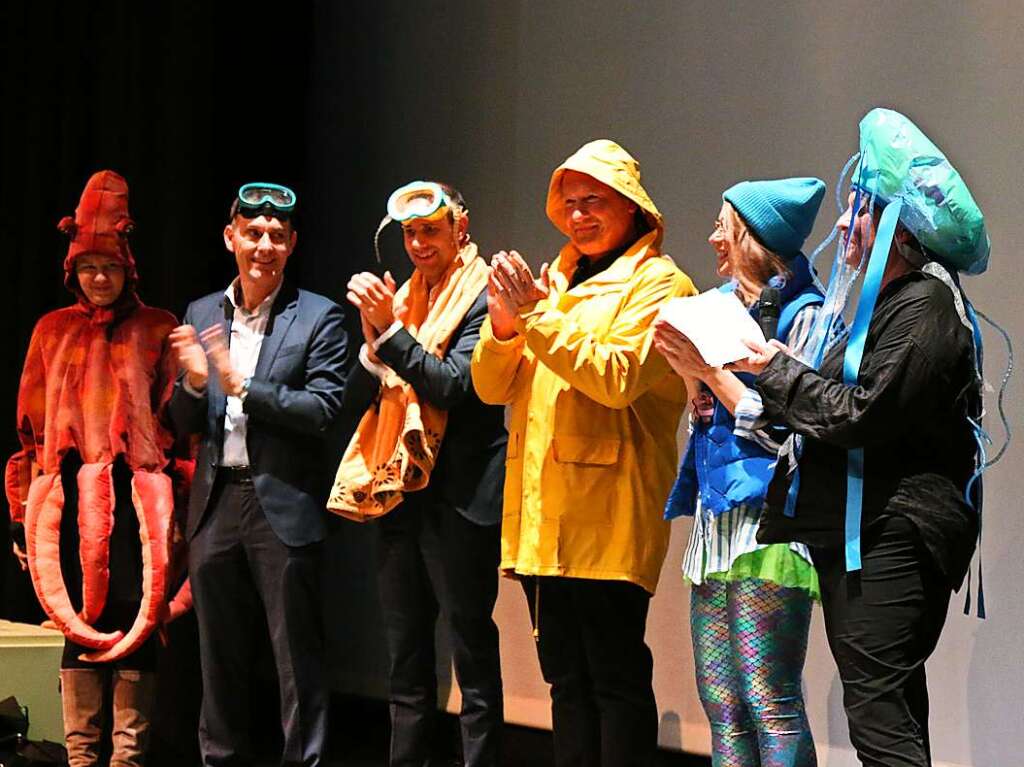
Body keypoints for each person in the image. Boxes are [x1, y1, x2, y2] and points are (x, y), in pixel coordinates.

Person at [741, 109, 990, 767]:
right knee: (889, 712)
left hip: (891, 535)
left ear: (897, 231)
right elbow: (830, 407)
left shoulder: (926, 308)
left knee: (881, 720)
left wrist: (770, 368)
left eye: (860, 208)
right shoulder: (896, 305)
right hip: (875, 533)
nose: (846, 224)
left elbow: (861, 413)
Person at [471, 139, 697, 767]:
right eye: (568, 204)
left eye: (593, 201)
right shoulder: (554, 280)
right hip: (545, 521)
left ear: (631, 205)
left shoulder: (662, 284)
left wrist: (536, 316)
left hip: (608, 520)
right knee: (564, 685)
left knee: (615, 682)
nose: (578, 216)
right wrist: (504, 327)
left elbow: (617, 378)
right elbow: (493, 387)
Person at [5, 170, 191, 766]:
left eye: (109, 267)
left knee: (138, 617)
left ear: (127, 268)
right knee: (76, 624)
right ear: (73, 272)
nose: (100, 278)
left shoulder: (157, 328)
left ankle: (126, 758)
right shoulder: (50, 332)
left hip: (139, 507)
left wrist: (179, 509)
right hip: (63, 503)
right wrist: (20, 518)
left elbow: (180, 427)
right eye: (88, 268)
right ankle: (83, 758)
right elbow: (30, 430)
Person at [168, 183, 348, 767]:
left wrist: (246, 385)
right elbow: (182, 419)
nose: (264, 245)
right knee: (218, 656)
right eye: (253, 234)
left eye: (277, 236)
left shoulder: (319, 316)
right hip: (216, 503)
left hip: (282, 504)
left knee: (296, 658)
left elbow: (323, 410)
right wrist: (196, 382)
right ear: (231, 238)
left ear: (292, 244)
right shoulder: (201, 312)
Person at [329, 181, 506, 767]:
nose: (419, 244)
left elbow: (455, 386)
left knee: (471, 652)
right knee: (405, 657)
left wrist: (391, 334)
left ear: (461, 227)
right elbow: (371, 398)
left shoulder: (484, 294)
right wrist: (374, 336)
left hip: (460, 499)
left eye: (431, 230)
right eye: (410, 233)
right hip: (401, 491)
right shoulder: (403, 298)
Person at [653, 178, 826, 766]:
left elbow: (790, 431)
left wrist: (709, 369)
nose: (712, 239)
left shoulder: (809, 315)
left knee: (769, 701)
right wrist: (688, 376)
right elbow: (708, 417)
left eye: (722, 227)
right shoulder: (716, 307)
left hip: (771, 524)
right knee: (722, 707)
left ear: (751, 238)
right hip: (717, 519)